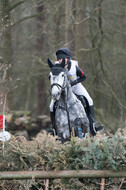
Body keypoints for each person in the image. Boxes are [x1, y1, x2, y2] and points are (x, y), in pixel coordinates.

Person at [49, 47, 104, 136]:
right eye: (59, 59)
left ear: (68, 59)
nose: (60, 61)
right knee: (51, 106)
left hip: (76, 86)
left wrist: (74, 82)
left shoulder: (74, 67)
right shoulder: (56, 66)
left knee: (89, 100)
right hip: (62, 89)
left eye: (62, 59)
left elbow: (83, 77)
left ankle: (93, 125)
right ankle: (54, 129)